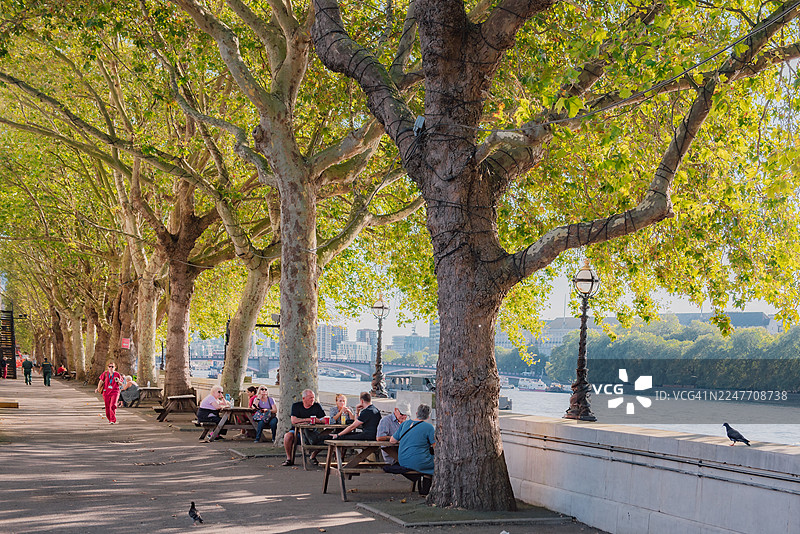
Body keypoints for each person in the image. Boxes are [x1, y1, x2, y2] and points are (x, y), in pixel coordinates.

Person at [390, 404, 435, 494]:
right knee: (435, 463)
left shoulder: (405, 424)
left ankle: (420, 484)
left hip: (403, 461)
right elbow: (435, 446)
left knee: (425, 462)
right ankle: (425, 490)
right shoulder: (429, 427)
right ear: (428, 416)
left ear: (416, 413)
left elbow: (392, 440)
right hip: (418, 462)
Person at [282, 389, 326, 466]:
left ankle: (313, 455)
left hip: (312, 431)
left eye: (313, 397)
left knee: (327, 437)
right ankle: (289, 458)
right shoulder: (296, 406)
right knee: (287, 436)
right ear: (304, 398)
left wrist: (317, 420)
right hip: (297, 432)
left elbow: (324, 419)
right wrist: (308, 419)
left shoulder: (317, 406)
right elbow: (294, 420)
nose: (312, 399)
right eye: (310, 398)